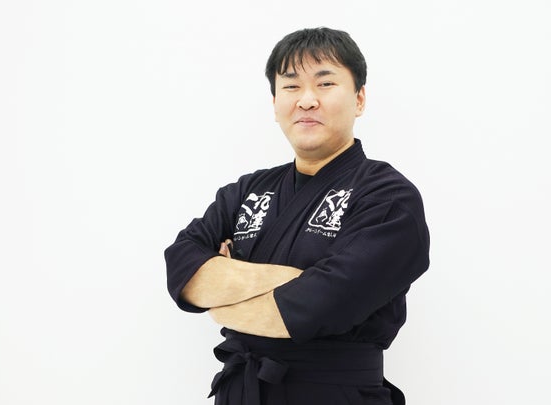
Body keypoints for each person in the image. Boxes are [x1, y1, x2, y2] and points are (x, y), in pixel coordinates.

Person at [165, 27, 430, 405]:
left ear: (359, 99)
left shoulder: (387, 196)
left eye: (325, 84)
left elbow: (326, 303)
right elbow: (182, 267)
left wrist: (223, 292)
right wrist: (303, 279)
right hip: (241, 391)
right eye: (291, 86)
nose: (306, 100)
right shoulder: (246, 191)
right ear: (275, 103)